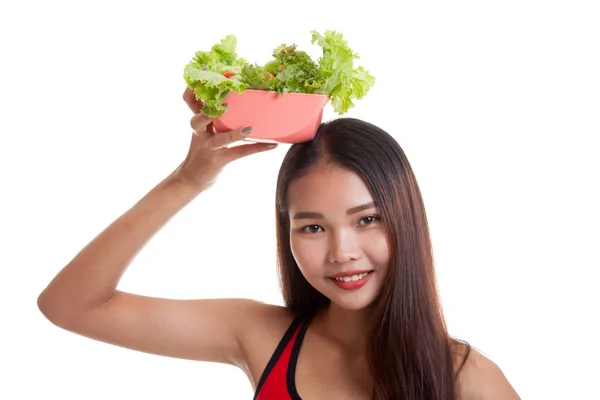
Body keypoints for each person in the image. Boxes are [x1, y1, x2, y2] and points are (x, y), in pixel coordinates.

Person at [38, 88, 521, 400]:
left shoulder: (468, 380)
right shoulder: (261, 336)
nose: (341, 252)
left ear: (407, 220)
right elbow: (70, 306)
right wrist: (186, 181)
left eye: (367, 219)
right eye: (312, 227)